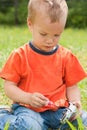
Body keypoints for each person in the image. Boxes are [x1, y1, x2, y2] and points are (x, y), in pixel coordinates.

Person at [0, 0, 87, 130]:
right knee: (30, 126)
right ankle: (4, 116)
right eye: (43, 34)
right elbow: (9, 87)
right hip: (29, 109)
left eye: (57, 35)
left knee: (84, 120)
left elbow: (71, 86)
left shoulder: (66, 56)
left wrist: (75, 103)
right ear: (30, 24)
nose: (50, 40)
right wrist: (28, 98)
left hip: (59, 111)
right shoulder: (20, 55)